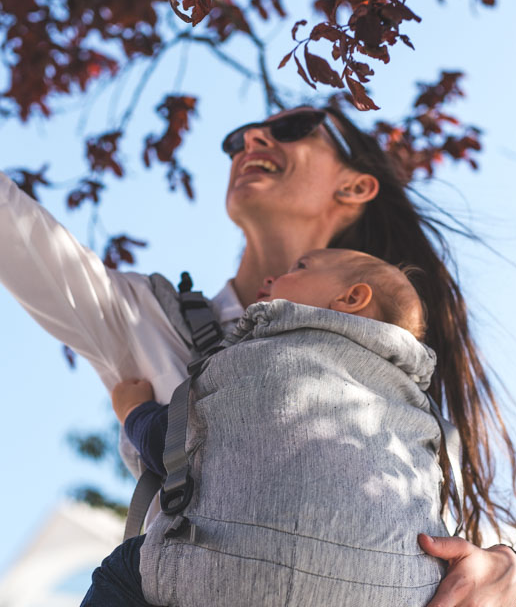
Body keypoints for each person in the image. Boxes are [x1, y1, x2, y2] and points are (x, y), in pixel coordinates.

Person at [0, 0, 516, 606]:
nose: (252, 138)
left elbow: (436, 557)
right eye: (237, 138)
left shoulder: (400, 380)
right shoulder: (142, 322)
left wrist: (510, 576)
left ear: (356, 186)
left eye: (292, 128)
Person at [86, 247, 438, 607]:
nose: (270, 277)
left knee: (125, 567)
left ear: (350, 298)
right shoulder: (415, 408)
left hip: (234, 573)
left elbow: (174, 445)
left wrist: (135, 410)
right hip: (393, 592)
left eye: (300, 266)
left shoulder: (260, 356)